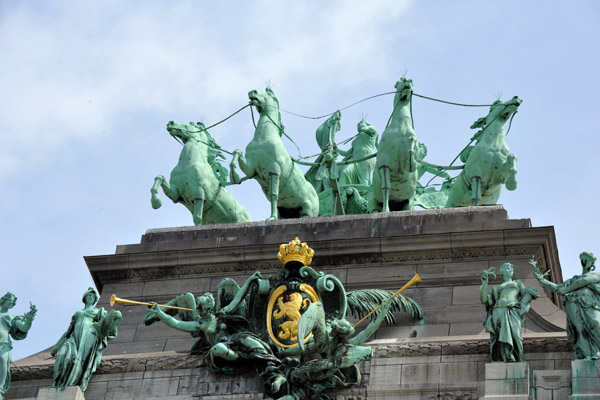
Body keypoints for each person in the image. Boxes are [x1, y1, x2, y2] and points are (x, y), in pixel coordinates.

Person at [530, 252, 600, 360]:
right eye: (583, 258)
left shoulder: (596, 275)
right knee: (580, 330)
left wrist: (566, 290)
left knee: (596, 324)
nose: (584, 261)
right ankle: (588, 354)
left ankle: (597, 350)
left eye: (587, 259)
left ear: (592, 263)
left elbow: (584, 281)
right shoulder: (574, 279)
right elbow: (557, 288)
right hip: (575, 305)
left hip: (590, 305)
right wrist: (541, 280)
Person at [52, 287, 122, 391]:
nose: (91, 297)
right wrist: (57, 346)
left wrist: (115, 317)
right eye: (89, 295)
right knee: (62, 356)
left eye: (93, 296)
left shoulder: (98, 311)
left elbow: (105, 326)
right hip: (73, 340)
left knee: (79, 361)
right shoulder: (78, 313)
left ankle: (71, 384)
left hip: (89, 337)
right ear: (84, 297)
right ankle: (57, 383)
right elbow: (68, 332)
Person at [480, 263, 539, 362]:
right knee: (500, 338)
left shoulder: (518, 283)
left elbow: (526, 297)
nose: (510, 269)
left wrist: (525, 307)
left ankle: (518, 359)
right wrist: (484, 284)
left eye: (511, 268)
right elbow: (484, 300)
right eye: (507, 268)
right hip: (498, 312)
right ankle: (505, 358)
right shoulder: (497, 288)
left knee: (515, 335)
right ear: (502, 272)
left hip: (513, 311)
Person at [0, 292, 36, 397]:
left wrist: (28, 321)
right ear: (3, 300)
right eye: (9, 301)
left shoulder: (11, 317)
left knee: (2, 360)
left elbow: (23, 327)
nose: (10, 303)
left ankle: (0, 388)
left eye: (12, 302)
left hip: (3, 344)